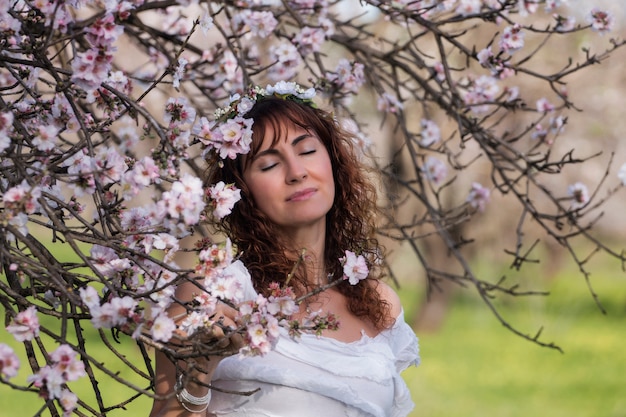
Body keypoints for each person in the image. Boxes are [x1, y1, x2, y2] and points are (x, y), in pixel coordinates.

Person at [149, 82, 420, 417]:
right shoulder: (208, 298)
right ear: (240, 192)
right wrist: (197, 375)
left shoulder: (379, 303)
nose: (297, 172)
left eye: (306, 151)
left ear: (333, 161)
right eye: (269, 164)